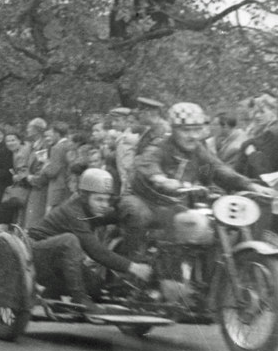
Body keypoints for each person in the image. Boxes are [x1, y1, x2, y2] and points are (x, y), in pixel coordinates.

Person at [118, 102, 274, 259]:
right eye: (186, 130)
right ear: (173, 129)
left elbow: (216, 170)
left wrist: (250, 185)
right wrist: (160, 178)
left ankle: (189, 272)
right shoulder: (161, 146)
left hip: (172, 204)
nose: (193, 136)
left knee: (199, 226)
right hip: (144, 199)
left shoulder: (198, 152)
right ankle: (132, 263)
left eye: (197, 130)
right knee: (139, 214)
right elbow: (148, 163)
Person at [28, 168, 153, 315]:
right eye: (99, 199)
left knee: (95, 287)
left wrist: (133, 212)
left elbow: (119, 210)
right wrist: (133, 267)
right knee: (69, 240)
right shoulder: (74, 212)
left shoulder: (89, 208)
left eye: (107, 199)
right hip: (37, 256)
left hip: (58, 259)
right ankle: (79, 299)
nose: (104, 205)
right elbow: (96, 251)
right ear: (84, 197)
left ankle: (53, 291)